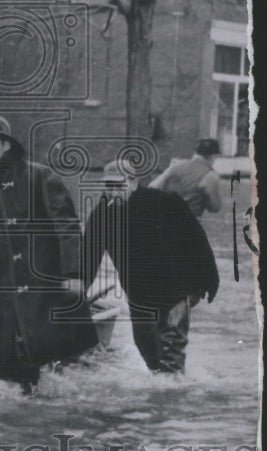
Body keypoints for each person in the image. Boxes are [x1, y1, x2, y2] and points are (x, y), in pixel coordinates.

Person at [0, 113, 97, 392]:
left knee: (63, 376)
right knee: (14, 380)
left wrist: (75, 275)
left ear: (6, 145)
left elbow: (67, 228)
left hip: (46, 294)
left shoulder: (40, 177)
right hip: (4, 301)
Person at [82, 159, 219, 375]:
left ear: (133, 183)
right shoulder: (102, 215)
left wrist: (209, 282)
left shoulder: (164, 202)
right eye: (108, 186)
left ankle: (173, 395)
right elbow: (89, 256)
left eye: (119, 185)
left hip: (176, 289)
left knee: (171, 350)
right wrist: (79, 289)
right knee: (147, 348)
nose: (113, 191)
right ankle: (161, 392)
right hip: (139, 294)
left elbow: (196, 240)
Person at [150, 138, 222, 218]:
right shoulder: (210, 175)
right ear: (213, 155)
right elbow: (215, 208)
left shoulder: (175, 166)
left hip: (165, 219)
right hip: (189, 222)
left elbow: (152, 187)